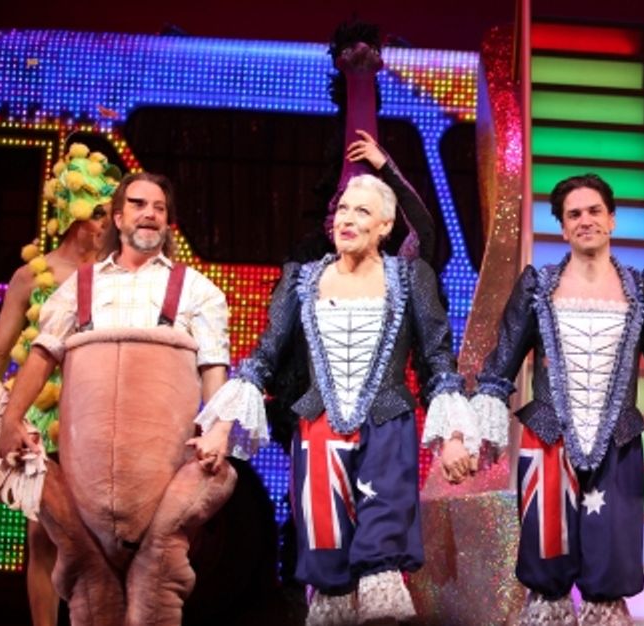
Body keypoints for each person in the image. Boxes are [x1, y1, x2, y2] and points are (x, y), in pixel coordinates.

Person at [202, 172, 478, 624]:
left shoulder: (410, 278)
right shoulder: (301, 280)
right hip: (318, 433)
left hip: (387, 427)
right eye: (344, 209)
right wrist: (219, 426)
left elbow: (437, 359)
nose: (347, 219)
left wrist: (452, 436)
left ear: (385, 226)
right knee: (329, 575)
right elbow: (265, 354)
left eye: (362, 211)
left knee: (380, 570)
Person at [0, 171, 259, 625]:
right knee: (81, 572)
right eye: (138, 204)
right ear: (118, 217)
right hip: (87, 469)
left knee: (157, 577)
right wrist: (11, 419)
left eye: (159, 208)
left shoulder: (197, 290)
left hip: (156, 471)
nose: (149, 214)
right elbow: (41, 355)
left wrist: (214, 430)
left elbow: (214, 366)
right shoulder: (79, 287)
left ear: (168, 222)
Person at [469, 173, 644, 625]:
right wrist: (473, 436)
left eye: (594, 211)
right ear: (562, 225)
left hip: (618, 442)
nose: (585, 220)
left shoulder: (642, 289)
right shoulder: (537, 286)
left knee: (610, 575)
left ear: (612, 219)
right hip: (548, 442)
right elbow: (499, 367)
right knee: (546, 575)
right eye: (574, 214)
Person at [0, 142, 115, 626]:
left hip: (94, 418)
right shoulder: (33, 275)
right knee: (42, 538)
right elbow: (0, 352)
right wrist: (8, 414)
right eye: (104, 211)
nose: (111, 222)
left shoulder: (113, 278)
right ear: (80, 216)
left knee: (96, 538)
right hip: (42, 423)